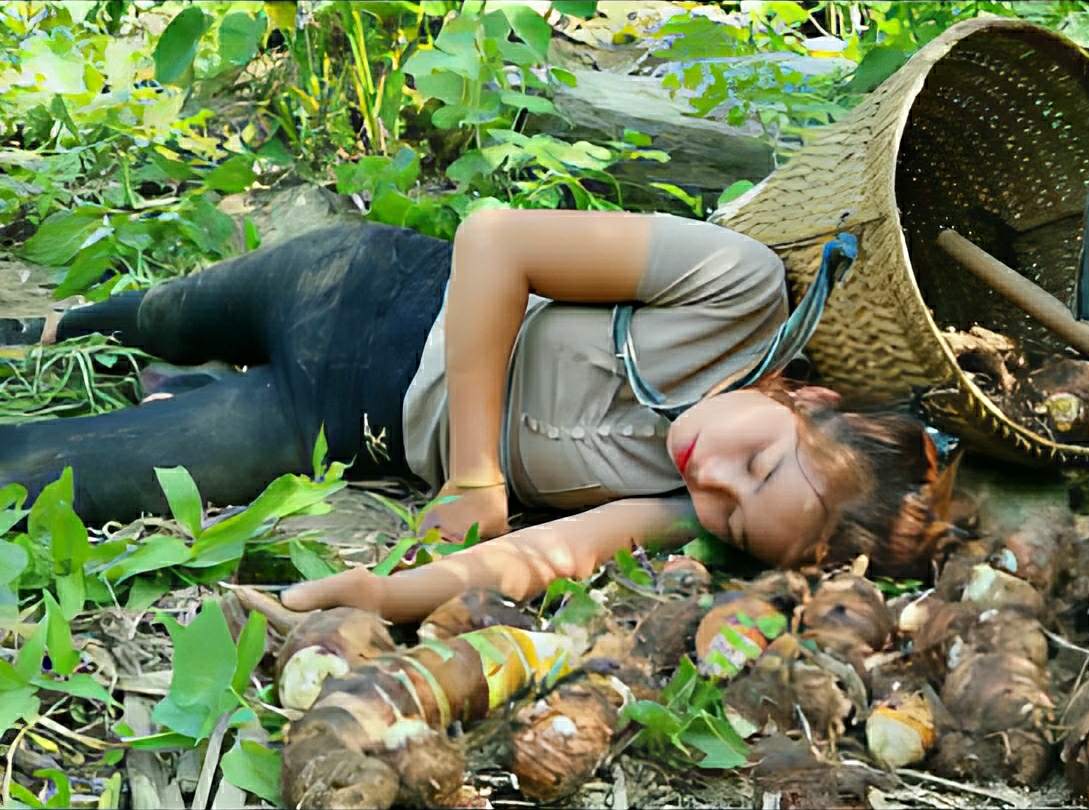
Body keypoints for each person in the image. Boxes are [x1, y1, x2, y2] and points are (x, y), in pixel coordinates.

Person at [2, 209, 952, 623]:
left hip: (335, 420)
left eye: (734, 520)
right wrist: (474, 476)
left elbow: (544, 554)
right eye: (759, 463)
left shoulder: (676, 504)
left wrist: (387, 597)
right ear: (807, 399)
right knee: (166, 314)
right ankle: (55, 329)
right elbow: (494, 240)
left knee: (57, 476)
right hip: (363, 290)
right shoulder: (738, 292)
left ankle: (186, 396)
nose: (712, 477)